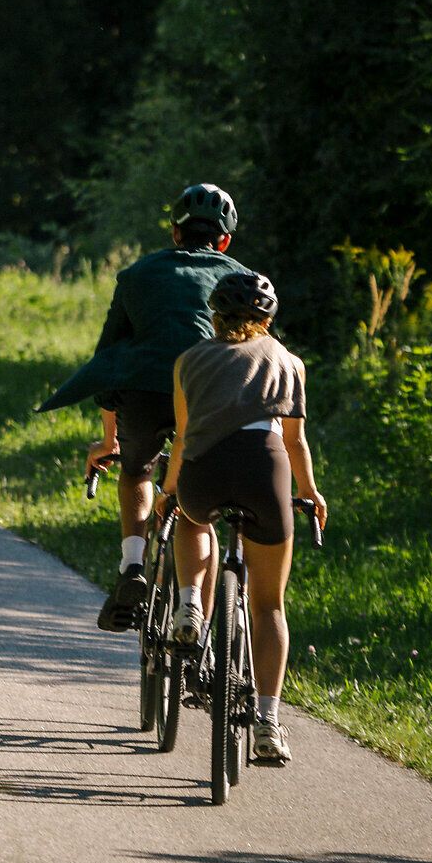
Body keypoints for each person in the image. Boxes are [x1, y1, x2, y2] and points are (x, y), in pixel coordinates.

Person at [38, 182, 248, 631]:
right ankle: (193, 618)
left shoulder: (136, 275)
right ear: (225, 239)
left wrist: (110, 439)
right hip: (209, 396)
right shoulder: (241, 281)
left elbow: (110, 357)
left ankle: (133, 563)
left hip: (143, 392)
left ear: (175, 232)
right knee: (197, 505)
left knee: (137, 471)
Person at [159, 269, 328, 764]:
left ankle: (190, 603)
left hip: (205, 471)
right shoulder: (289, 361)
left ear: (215, 315)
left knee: (193, 518)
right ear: (268, 317)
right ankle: (268, 723)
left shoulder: (188, 360)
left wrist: (171, 490)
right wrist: (310, 491)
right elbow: (294, 441)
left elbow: (186, 438)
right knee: (269, 604)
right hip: (264, 469)